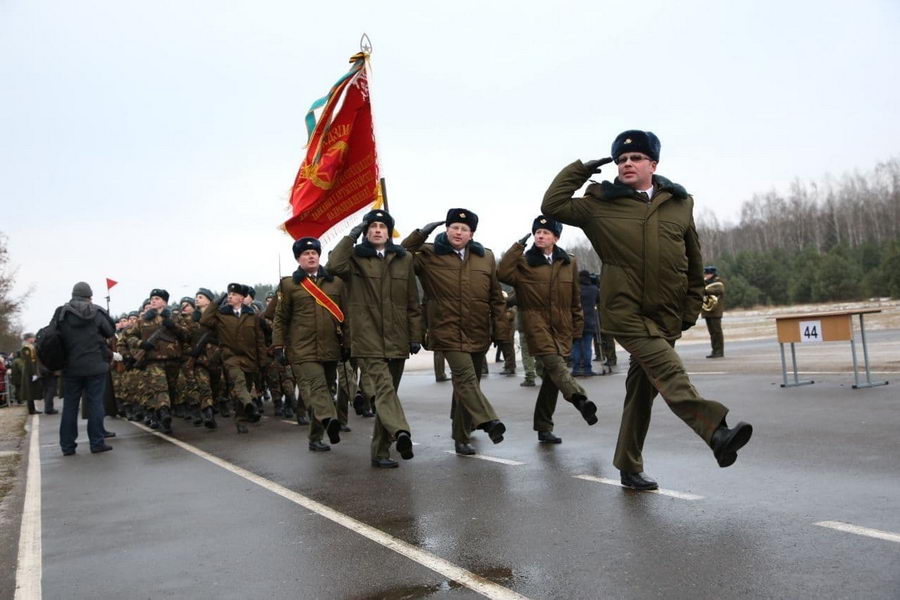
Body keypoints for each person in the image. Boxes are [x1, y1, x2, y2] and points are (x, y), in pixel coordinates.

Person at [541, 129, 753, 489]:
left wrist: (690, 308)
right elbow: (553, 205)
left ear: (653, 164)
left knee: (642, 391)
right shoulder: (599, 204)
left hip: (666, 314)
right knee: (670, 372)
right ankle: (716, 432)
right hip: (626, 312)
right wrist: (580, 170)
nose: (627, 163)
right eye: (621, 159)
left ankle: (628, 464)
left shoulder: (679, 203)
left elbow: (693, 259)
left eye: (636, 158)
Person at [402, 209, 510, 455]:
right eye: (454, 227)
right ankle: (488, 422)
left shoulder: (486, 257)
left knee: (468, 386)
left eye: (464, 229)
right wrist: (421, 233)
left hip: (478, 330)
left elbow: (496, 298)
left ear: (471, 234)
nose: (458, 232)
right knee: (466, 379)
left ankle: (461, 432)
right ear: (446, 229)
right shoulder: (428, 254)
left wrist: (501, 332)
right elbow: (401, 254)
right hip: (446, 329)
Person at [327, 209, 423, 468]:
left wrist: (415, 335)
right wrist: (350, 237)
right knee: (384, 389)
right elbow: (333, 266)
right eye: (372, 226)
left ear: (389, 232)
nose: (377, 230)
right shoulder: (354, 259)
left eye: (382, 226)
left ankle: (380, 452)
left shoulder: (403, 259)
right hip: (367, 339)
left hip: (397, 338)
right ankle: (401, 431)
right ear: (366, 232)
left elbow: (413, 302)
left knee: (386, 396)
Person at [498, 216, 598, 444]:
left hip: (562, 326)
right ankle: (581, 401)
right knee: (554, 364)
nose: (540, 236)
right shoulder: (523, 262)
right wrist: (517, 247)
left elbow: (575, 297)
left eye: (545, 232)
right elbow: (502, 274)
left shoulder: (568, 262)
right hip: (536, 325)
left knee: (553, 380)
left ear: (556, 237)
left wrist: (577, 327)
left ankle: (543, 427)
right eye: (537, 232)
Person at [273, 237, 347, 452]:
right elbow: (280, 318)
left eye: (314, 252)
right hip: (302, 350)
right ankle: (329, 419)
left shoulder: (335, 282)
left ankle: (316, 436)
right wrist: (278, 346)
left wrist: (348, 344)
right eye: (306, 253)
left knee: (327, 391)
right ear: (298, 258)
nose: (311, 256)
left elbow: (346, 316)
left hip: (331, 347)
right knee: (318, 388)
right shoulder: (288, 284)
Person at [56, 282, 116, 455]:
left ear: (73, 295)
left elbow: (54, 335)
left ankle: (67, 446)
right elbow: (109, 331)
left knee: (70, 406)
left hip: (71, 367)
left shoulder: (62, 313)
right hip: (95, 366)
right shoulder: (96, 312)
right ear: (89, 296)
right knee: (95, 403)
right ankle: (97, 442)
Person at [200, 283, 267, 433]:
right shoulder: (221, 315)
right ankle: (250, 404)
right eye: (229, 294)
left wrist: (262, 361)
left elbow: (259, 340)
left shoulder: (252, 316)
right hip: (231, 356)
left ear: (242, 298)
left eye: (234, 294)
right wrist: (216, 302)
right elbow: (204, 320)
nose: (230, 296)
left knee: (243, 390)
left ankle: (241, 418)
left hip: (249, 358)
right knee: (239, 382)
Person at [124, 289, 189, 434]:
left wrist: (173, 326)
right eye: (152, 298)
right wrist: (141, 343)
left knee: (171, 390)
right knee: (161, 388)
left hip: (173, 360)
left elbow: (186, 335)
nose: (153, 301)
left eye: (157, 298)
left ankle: (162, 413)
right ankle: (165, 414)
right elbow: (130, 337)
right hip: (153, 361)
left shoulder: (175, 318)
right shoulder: (142, 320)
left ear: (164, 302)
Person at [572, 270, 599, 377]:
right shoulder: (594, 289)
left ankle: (576, 369)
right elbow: (599, 300)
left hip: (576, 321)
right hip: (590, 321)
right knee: (587, 347)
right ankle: (588, 369)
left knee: (576, 346)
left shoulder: (575, 290)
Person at [701, 266, 726, 358]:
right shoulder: (704, 282)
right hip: (707, 311)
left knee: (717, 332)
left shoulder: (718, 281)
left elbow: (720, 290)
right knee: (712, 333)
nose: (706, 275)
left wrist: (705, 290)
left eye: (708, 274)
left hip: (715, 311)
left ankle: (719, 351)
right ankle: (714, 350)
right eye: (706, 274)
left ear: (712, 273)